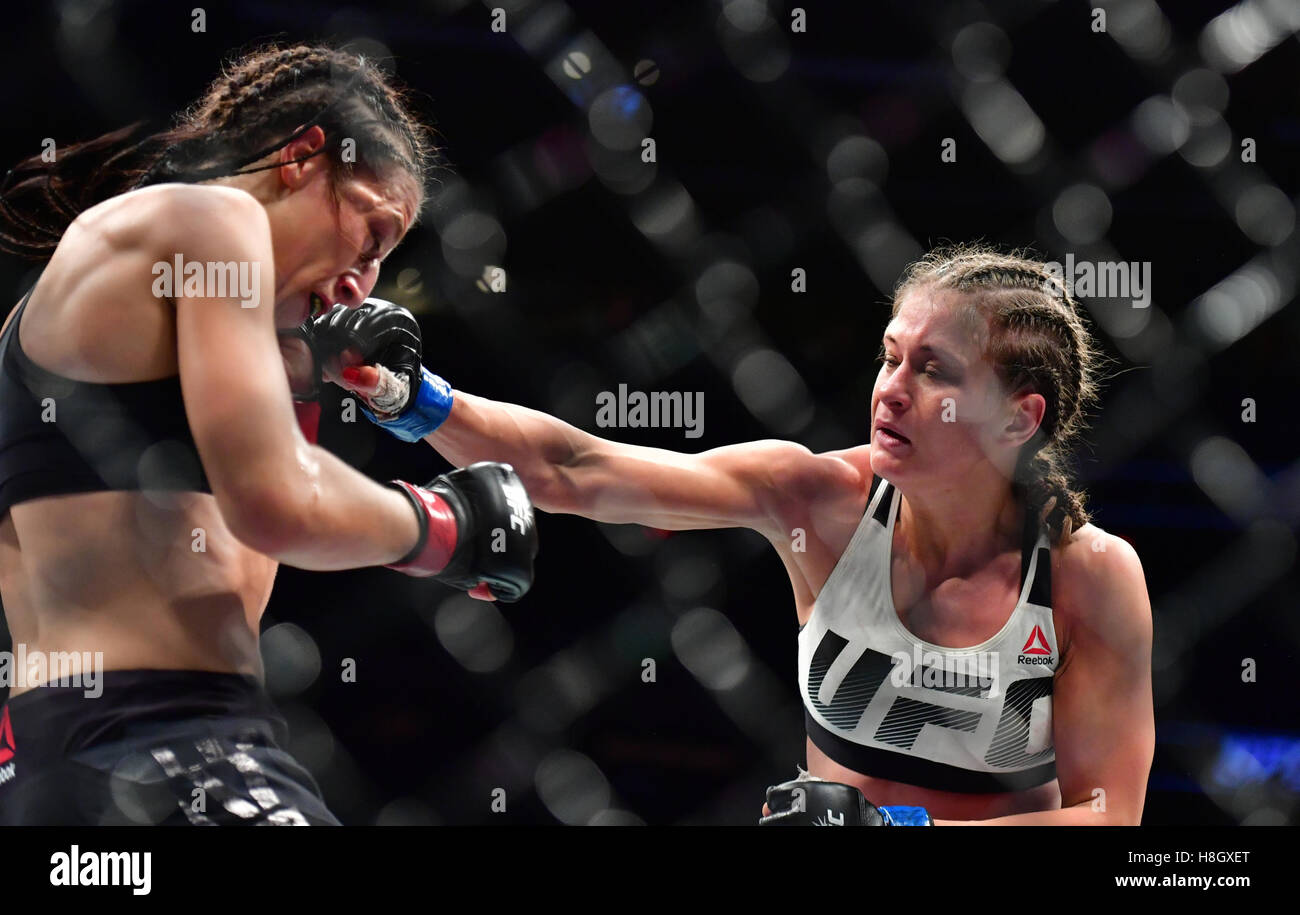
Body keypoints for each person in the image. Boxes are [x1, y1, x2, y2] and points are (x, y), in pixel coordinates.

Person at [324, 245, 1155, 825]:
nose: (890, 390)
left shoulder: (1090, 576)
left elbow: (1110, 815)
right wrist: (413, 397)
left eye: (933, 369)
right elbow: (577, 468)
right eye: (889, 356)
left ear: (1019, 416)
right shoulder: (818, 501)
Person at [0, 43, 537, 826]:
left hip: (49, 768)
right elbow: (274, 500)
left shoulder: (103, 294)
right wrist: (445, 526)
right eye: (373, 233)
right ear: (301, 158)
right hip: (176, 746)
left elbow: (563, 461)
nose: (364, 278)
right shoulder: (211, 217)